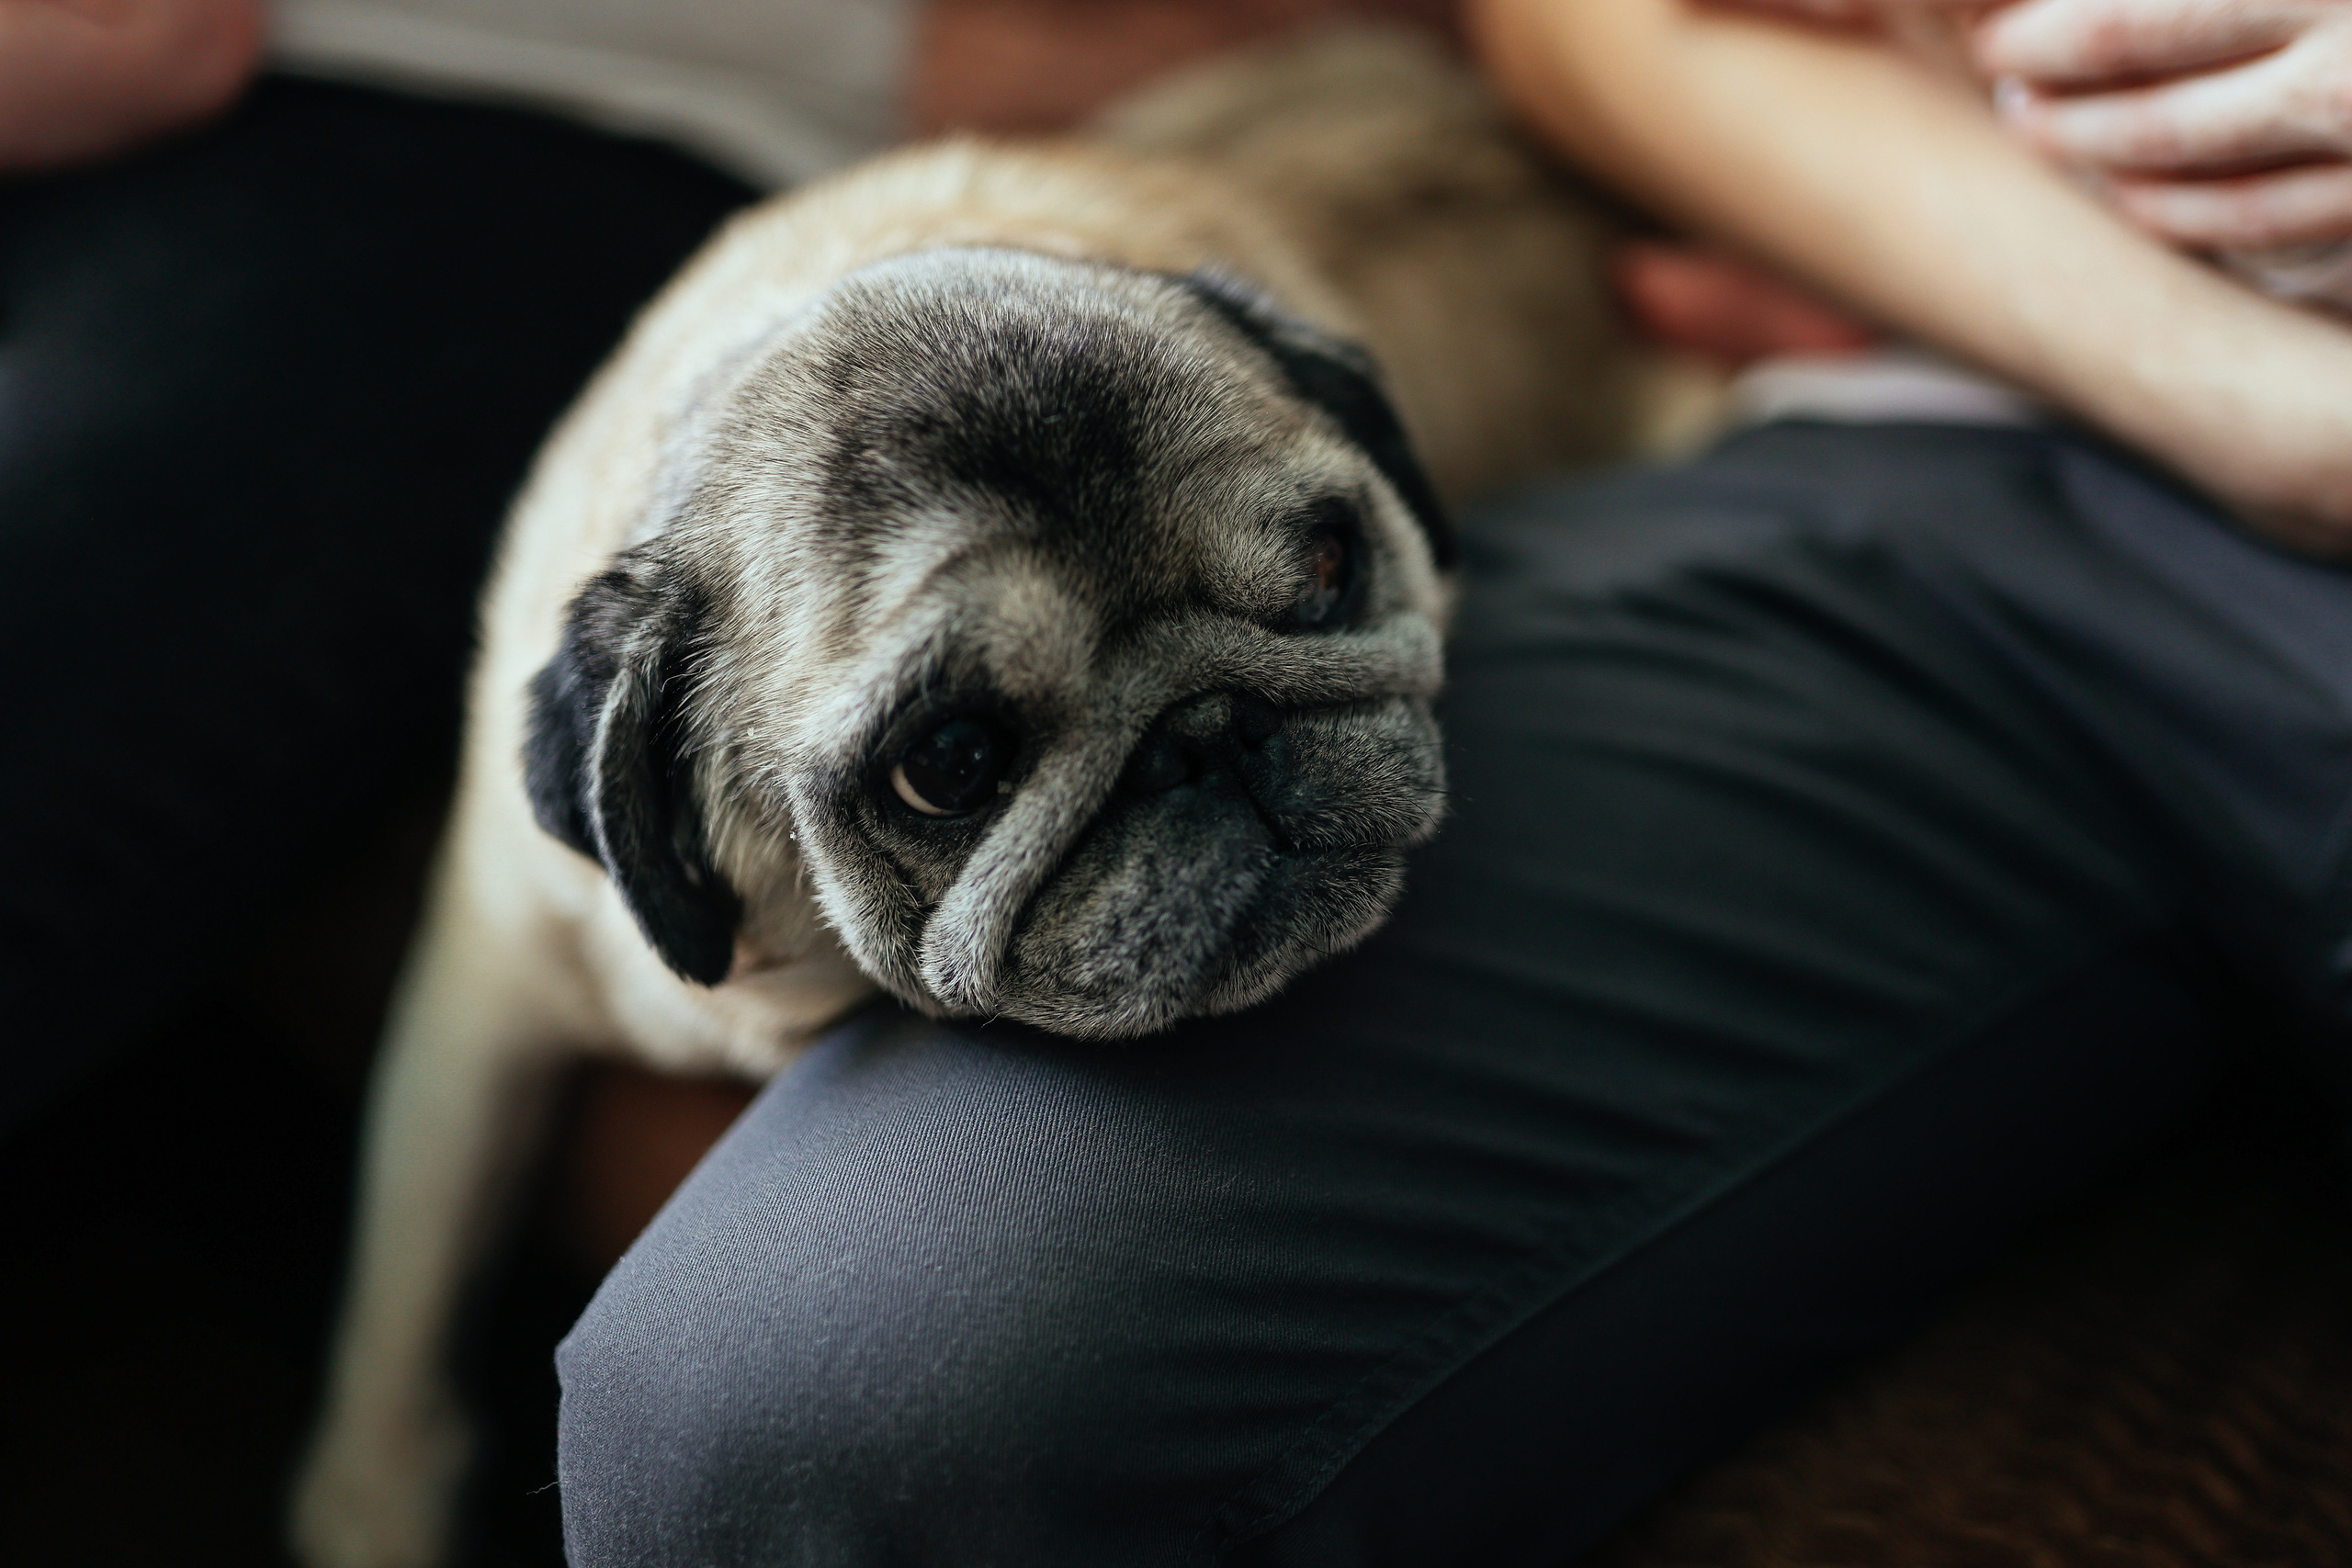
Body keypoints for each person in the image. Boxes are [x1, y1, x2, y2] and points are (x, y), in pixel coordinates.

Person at [545, 3, 2352, 1564]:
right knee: (805, 1407)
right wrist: (2248, 395)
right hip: (1936, 451)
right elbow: (1603, 29)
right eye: (954, 751)